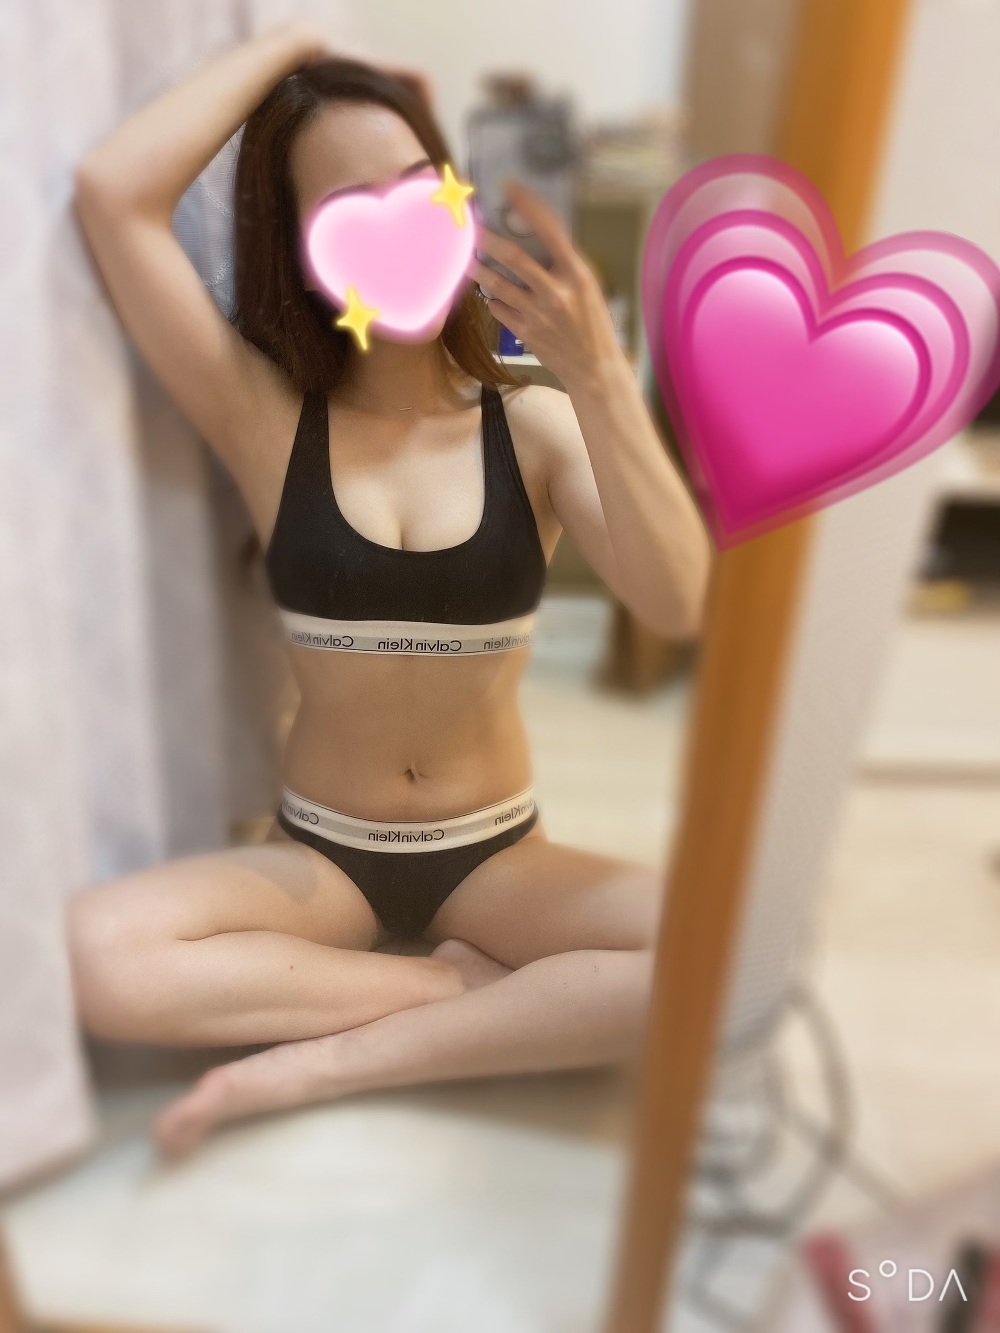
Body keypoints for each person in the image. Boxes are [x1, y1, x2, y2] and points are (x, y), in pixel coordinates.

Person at [68, 22, 711, 1159]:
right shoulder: (267, 418)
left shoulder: (536, 423)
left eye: (417, 188)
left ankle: (327, 1058)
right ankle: (451, 997)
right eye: (346, 210)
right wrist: (294, 44)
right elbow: (113, 195)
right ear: (302, 252)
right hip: (322, 855)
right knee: (97, 958)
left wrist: (603, 379)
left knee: (721, 955)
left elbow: (678, 603)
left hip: (496, 857)